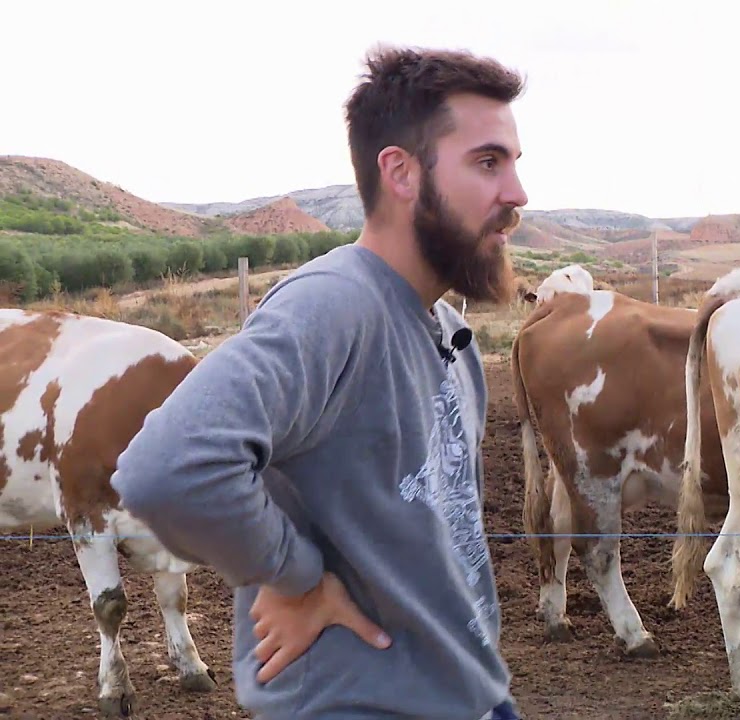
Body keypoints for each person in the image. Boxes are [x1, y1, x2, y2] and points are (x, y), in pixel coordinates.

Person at [111, 45, 529, 720]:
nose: (516, 194)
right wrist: (296, 576)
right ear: (401, 172)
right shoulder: (334, 306)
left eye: (513, 163)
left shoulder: (446, 328)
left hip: (470, 696)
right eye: (488, 162)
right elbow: (167, 468)